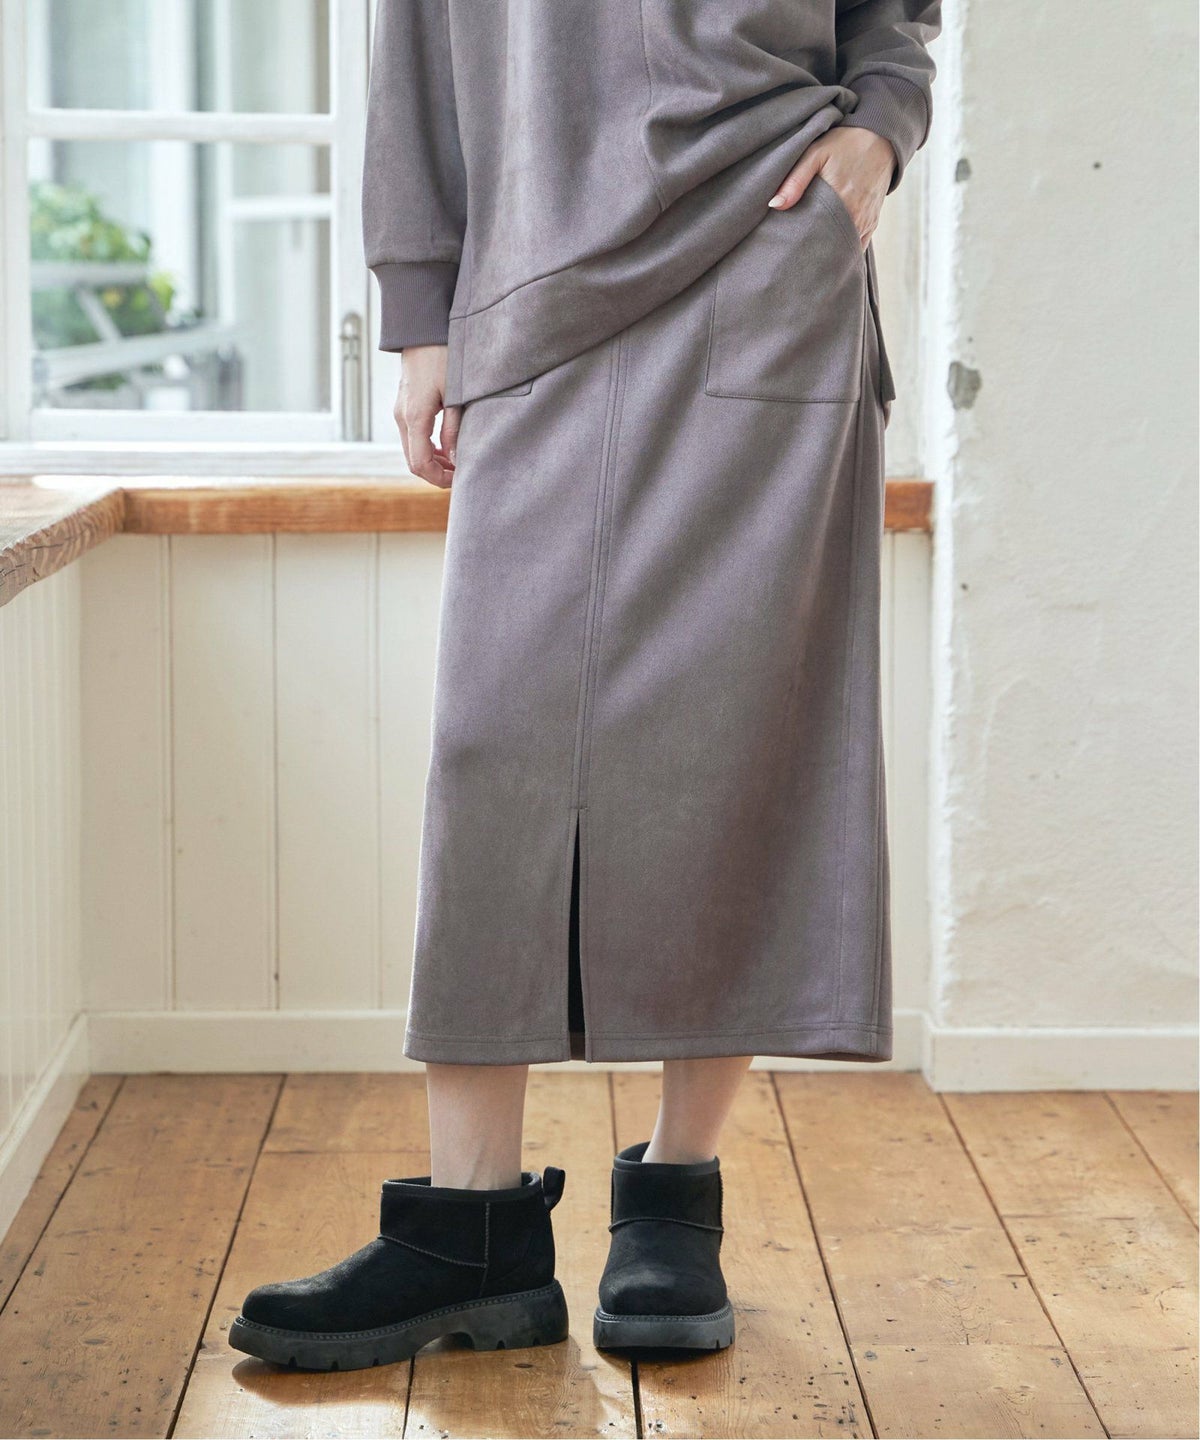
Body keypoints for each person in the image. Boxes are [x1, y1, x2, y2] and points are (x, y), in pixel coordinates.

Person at [229, 0, 941, 1373]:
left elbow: (893, 21)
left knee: (734, 739)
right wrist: (420, 313)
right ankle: (471, 1231)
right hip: (531, 293)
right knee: (494, 750)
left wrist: (879, 137)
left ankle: (675, 1195)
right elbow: (417, 48)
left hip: (767, 254)